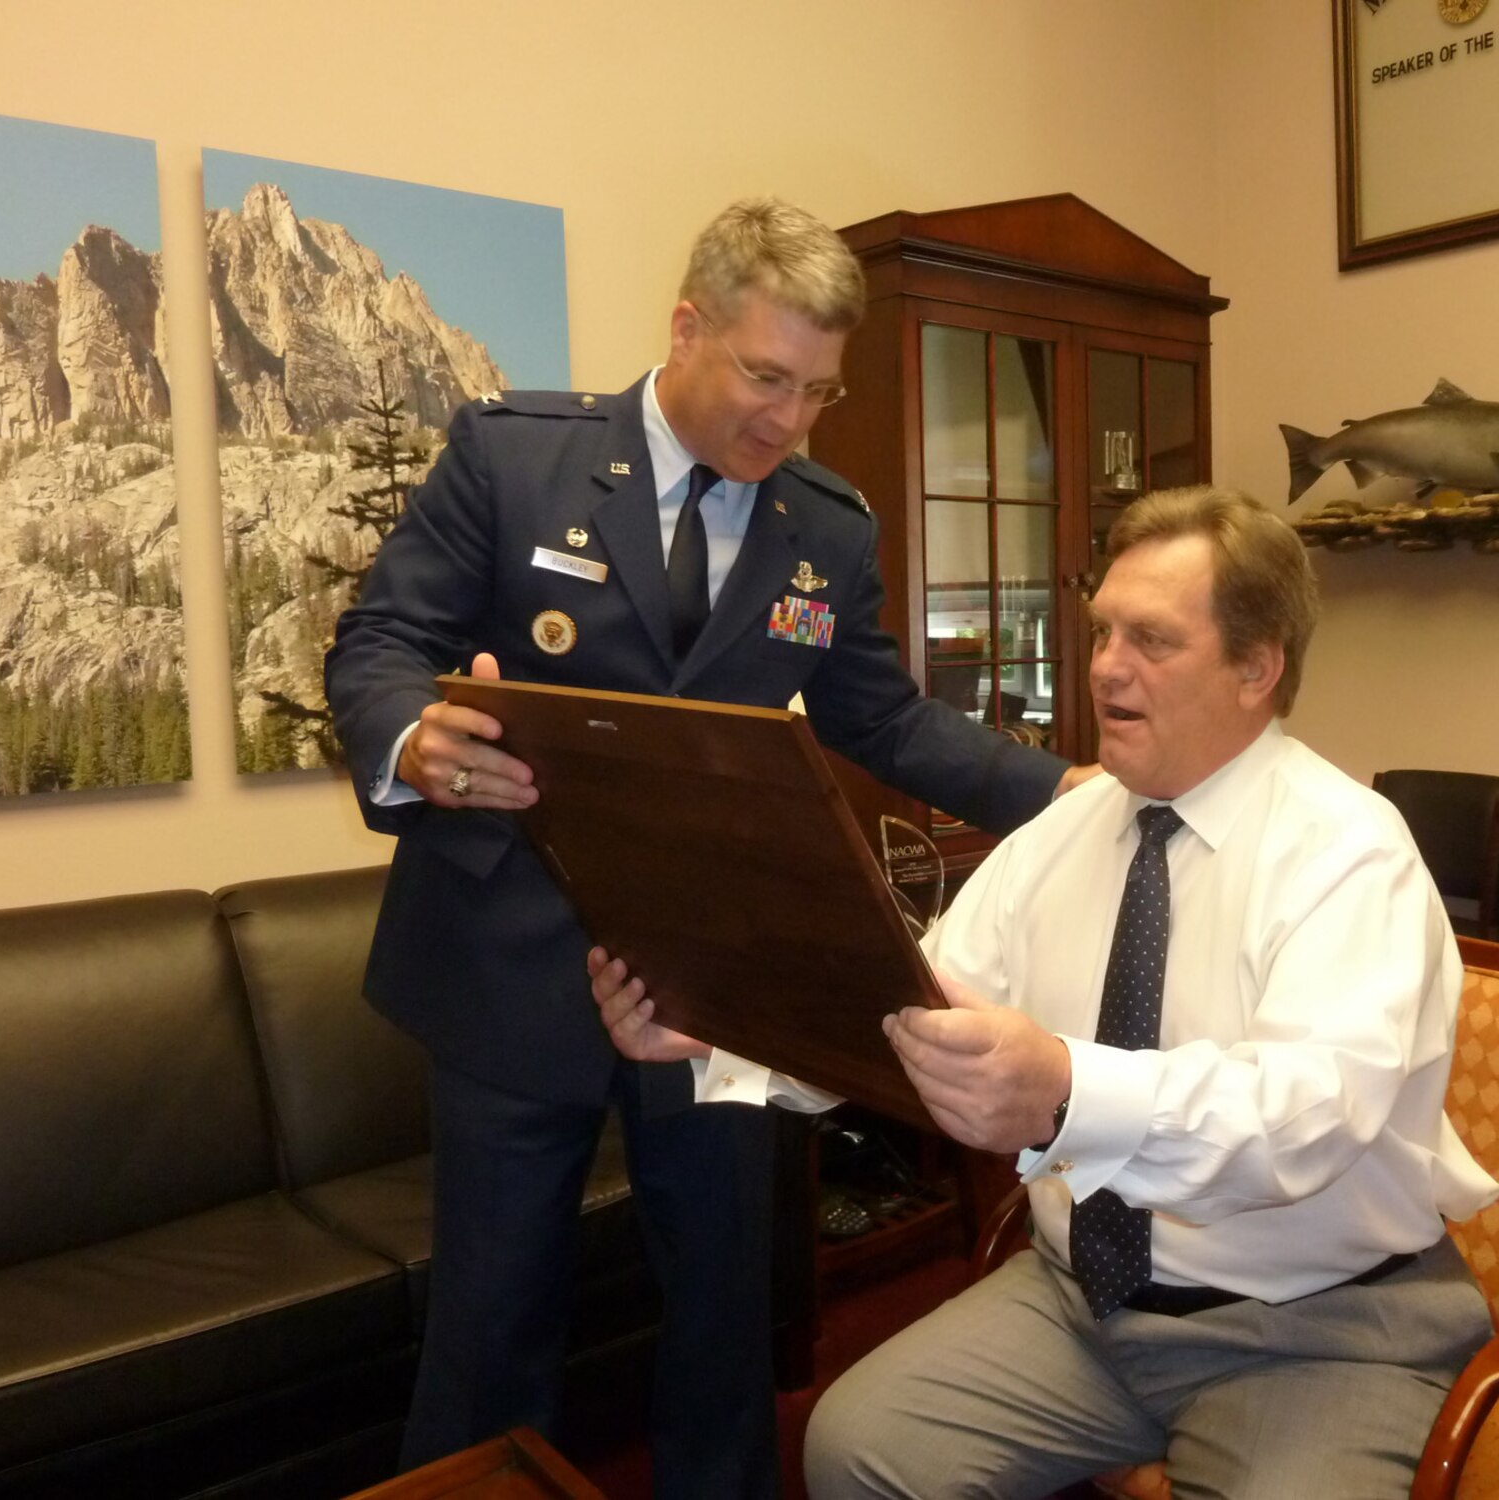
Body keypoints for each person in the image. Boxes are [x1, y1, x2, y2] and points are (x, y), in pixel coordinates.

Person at [323, 196, 1081, 1497]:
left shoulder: (825, 528)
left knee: (727, 1313)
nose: (788, 420)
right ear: (687, 326)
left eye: (819, 392)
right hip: (509, 965)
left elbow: (882, 717)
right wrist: (417, 744)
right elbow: (379, 645)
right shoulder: (518, 463)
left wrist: (1074, 795)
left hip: (718, 981)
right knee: (493, 1325)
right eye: (765, 376)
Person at [789, 485, 1499, 1500]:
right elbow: (916, 1006)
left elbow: (1302, 1119)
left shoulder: (1348, 852)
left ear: (1256, 668)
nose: (1104, 668)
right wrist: (721, 1026)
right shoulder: (1061, 834)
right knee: (857, 1450)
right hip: (1082, 1302)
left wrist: (1067, 1093)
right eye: (1100, 633)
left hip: (1318, 1328)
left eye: (1150, 641)